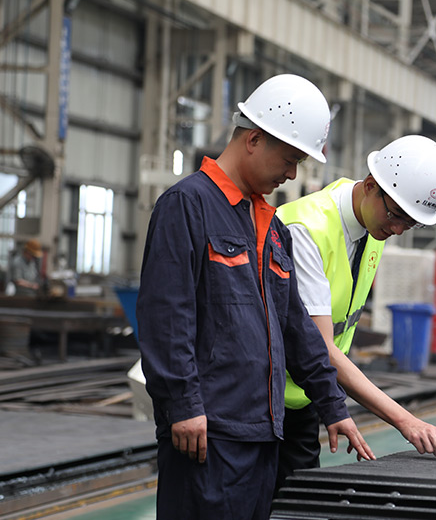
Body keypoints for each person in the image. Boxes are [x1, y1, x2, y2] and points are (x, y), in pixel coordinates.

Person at [135, 74, 374, 520]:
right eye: (289, 159)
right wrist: (183, 406)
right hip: (208, 436)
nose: (292, 174)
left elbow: (296, 326)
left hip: (264, 436)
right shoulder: (187, 205)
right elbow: (166, 316)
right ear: (254, 139)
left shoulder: (271, 226)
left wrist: (331, 404)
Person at [275, 134, 436, 492]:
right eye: (398, 215)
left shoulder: (372, 226)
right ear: (370, 185)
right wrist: (404, 419)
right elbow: (321, 347)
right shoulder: (306, 229)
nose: (399, 229)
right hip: (261, 401)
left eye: (411, 224)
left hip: (303, 397)